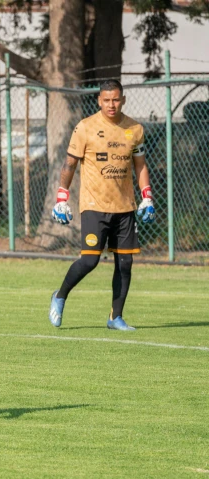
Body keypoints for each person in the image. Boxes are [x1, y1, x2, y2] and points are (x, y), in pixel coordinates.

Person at [49, 79, 155, 331]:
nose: (111, 104)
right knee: (89, 261)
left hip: (125, 207)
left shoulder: (135, 129)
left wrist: (147, 196)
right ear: (99, 100)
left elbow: (140, 165)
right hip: (94, 205)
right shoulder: (85, 128)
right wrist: (61, 197)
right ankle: (60, 295)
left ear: (123, 100)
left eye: (116, 99)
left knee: (125, 264)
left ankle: (115, 317)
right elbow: (69, 164)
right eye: (106, 100)